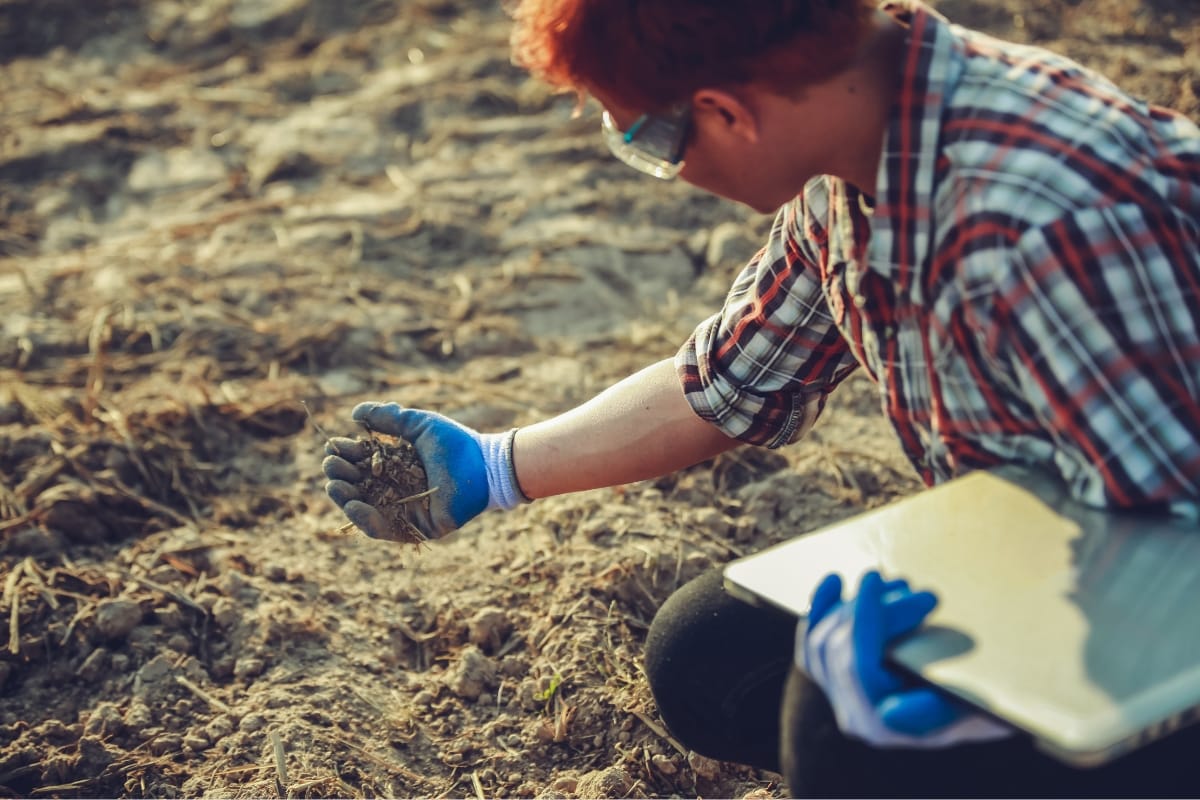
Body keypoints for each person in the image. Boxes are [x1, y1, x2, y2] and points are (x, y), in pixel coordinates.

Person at [323, 0, 1200, 795]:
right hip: (1062, 535)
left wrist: (1031, 694)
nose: (646, 160)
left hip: (1163, 580)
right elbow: (726, 382)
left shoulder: (1044, 220)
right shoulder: (854, 153)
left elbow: (1175, 535)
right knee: (707, 653)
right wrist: (497, 465)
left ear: (729, 113)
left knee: (844, 744)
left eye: (645, 142)